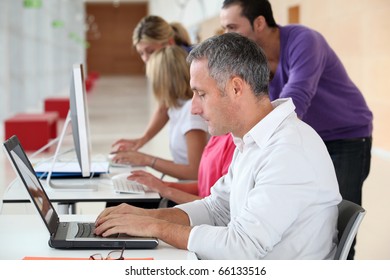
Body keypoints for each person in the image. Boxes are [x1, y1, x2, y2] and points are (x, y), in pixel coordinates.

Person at [94, 33, 342, 260]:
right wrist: (146, 216)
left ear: (236, 88)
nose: (194, 108)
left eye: (201, 94)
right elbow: (217, 208)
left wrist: (154, 227)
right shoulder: (251, 140)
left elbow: (241, 247)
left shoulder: (288, 152)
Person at [220, 0, 373, 259]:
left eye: (232, 27)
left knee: (337, 229)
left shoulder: (305, 40)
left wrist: (263, 145)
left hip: (346, 136)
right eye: (224, 28)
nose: (227, 35)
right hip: (307, 137)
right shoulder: (254, 60)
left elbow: (296, 99)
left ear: (258, 23)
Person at [112, 45, 209, 181]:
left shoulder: (190, 111)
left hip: (194, 192)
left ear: (161, 81)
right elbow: (162, 109)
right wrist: (141, 142)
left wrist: (146, 159)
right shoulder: (176, 106)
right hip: (184, 187)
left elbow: (195, 172)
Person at [127, 133, 235, 205]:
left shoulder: (233, 144)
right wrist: (163, 185)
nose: (193, 110)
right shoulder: (218, 135)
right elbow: (206, 186)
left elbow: (220, 207)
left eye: (203, 97)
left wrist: (166, 191)